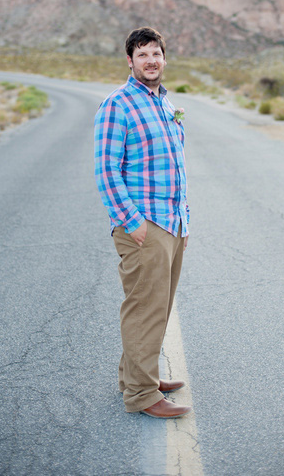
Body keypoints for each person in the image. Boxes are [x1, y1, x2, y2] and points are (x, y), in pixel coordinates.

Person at [94, 26, 192, 419]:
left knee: (158, 308)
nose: (151, 61)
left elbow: (175, 166)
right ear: (130, 61)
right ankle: (141, 394)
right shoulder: (117, 105)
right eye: (143, 54)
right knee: (144, 309)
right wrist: (132, 223)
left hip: (172, 223)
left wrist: (184, 224)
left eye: (157, 54)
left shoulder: (165, 104)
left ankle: (139, 375)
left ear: (164, 59)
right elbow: (106, 170)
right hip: (144, 225)